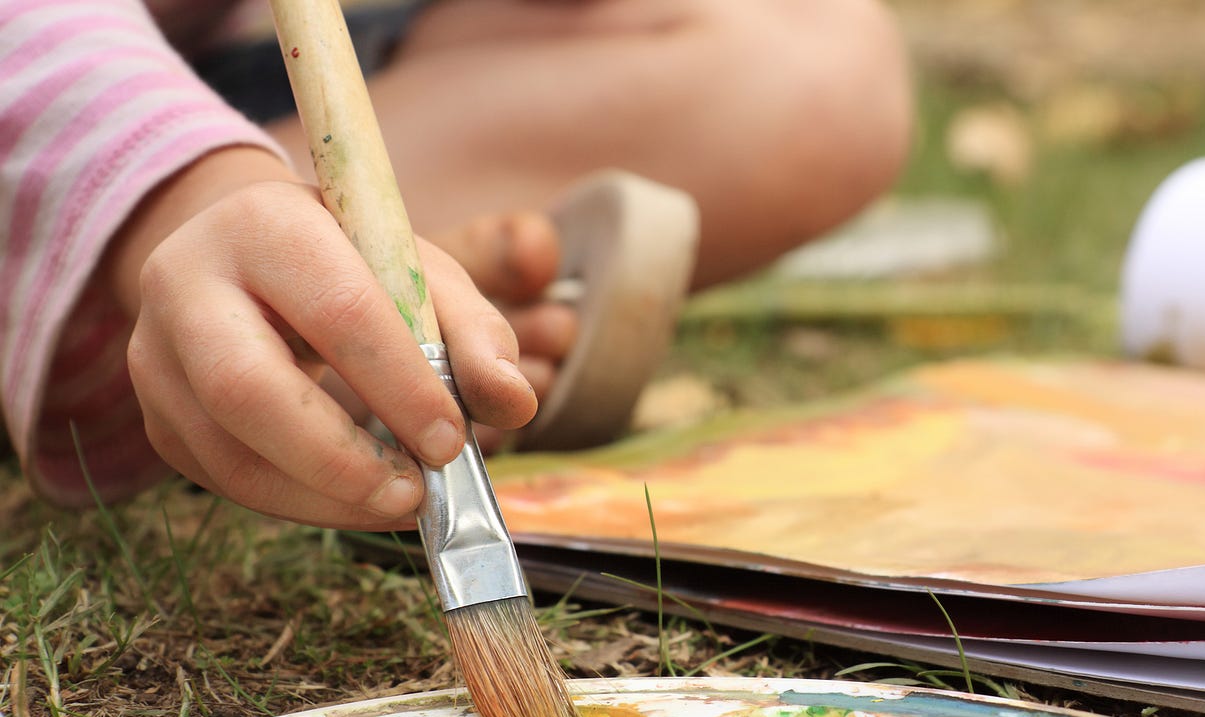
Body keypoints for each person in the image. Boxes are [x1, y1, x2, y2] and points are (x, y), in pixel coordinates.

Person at [1, 0, 912, 531]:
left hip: (249, 50)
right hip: (59, 58)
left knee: (815, 57)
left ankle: (296, 301)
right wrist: (193, 193)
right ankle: (185, 269)